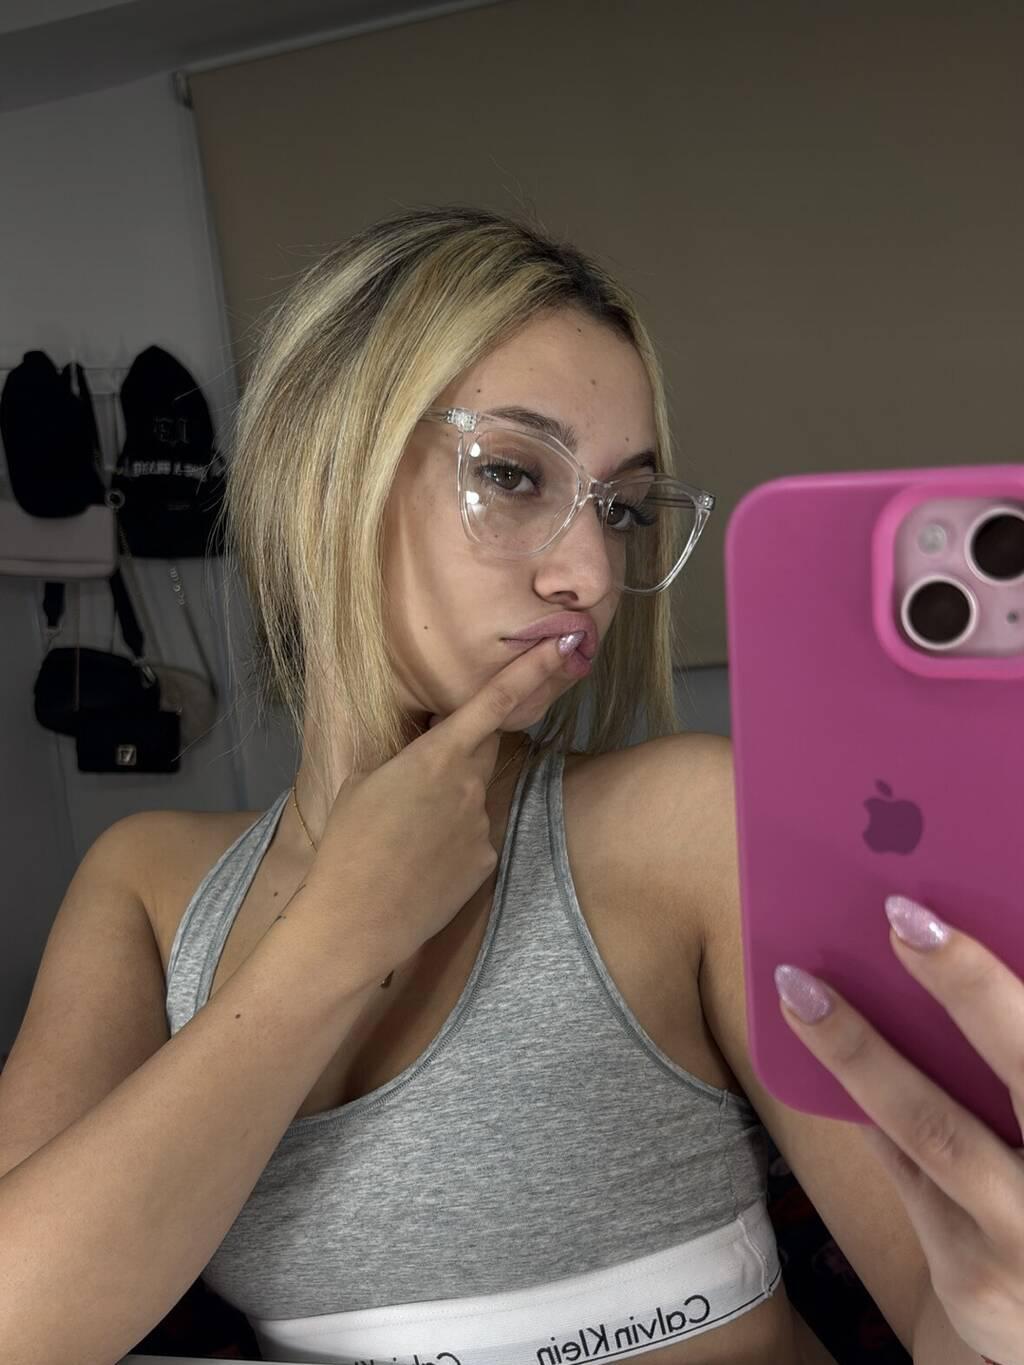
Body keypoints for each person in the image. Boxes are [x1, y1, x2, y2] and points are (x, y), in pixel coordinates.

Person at [0, 207, 1018, 1365]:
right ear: (326, 471)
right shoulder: (149, 888)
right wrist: (340, 937)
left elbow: (945, 1321)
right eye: (512, 474)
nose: (588, 573)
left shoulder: (680, 827)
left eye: (621, 508)